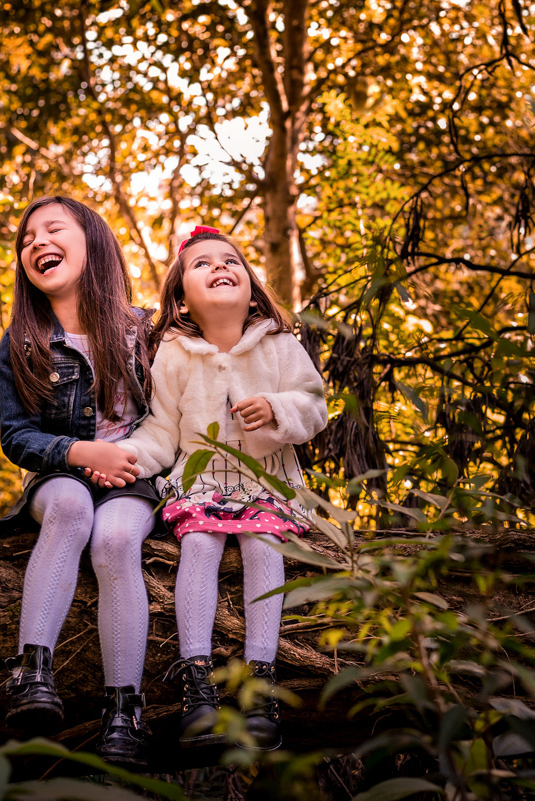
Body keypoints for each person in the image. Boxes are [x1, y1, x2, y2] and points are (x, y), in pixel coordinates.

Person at [100, 225, 327, 750]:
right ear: (180, 296)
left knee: (265, 545)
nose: (221, 267)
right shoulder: (175, 354)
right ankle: (197, 687)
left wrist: (277, 408)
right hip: (202, 482)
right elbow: (160, 429)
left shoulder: (278, 343)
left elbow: (313, 406)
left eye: (231, 261)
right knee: (198, 546)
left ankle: (260, 686)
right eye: (202, 264)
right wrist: (129, 457)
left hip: (267, 480)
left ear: (250, 283)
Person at [0, 195, 157, 768]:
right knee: (69, 507)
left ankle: (124, 712)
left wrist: (130, 457)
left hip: (132, 482)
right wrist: (77, 451)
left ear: (92, 241)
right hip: (60, 476)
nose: (36, 242)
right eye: (26, 238)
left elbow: (176, 414)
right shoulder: (20, 341)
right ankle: (31, 674)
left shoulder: (144, 332)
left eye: (52, 229)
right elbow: (16, 437)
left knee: (115, 541)